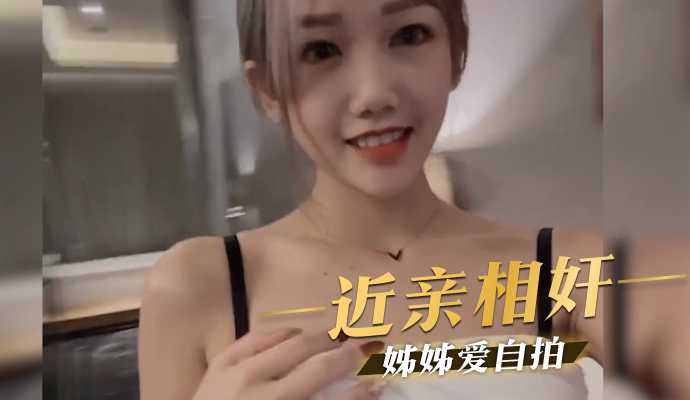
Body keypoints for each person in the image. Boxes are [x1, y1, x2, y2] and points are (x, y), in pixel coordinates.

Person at [138, 0, 604, 399]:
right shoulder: (198, 286)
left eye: (409, 34)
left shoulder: (571, 266)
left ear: (456, 52)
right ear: (268, 88)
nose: (374, 95)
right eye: (320, 51)